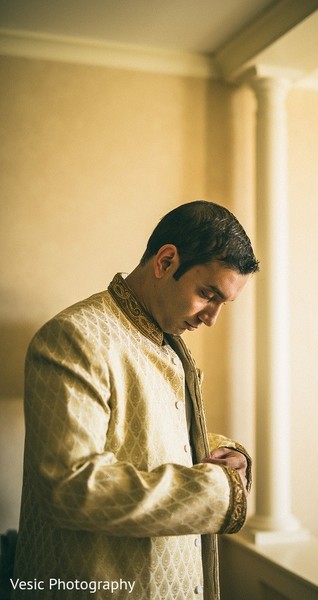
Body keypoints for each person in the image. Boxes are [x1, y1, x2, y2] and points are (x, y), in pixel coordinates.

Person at [12, 200, 259, 600]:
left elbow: (146, 436)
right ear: (165, 261)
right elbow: (70, 485)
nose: (211, 318)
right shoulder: (74, 337)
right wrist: (217, 492)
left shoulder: (167, 341)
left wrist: (225, 455)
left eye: (221, 303)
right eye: (207, 293)